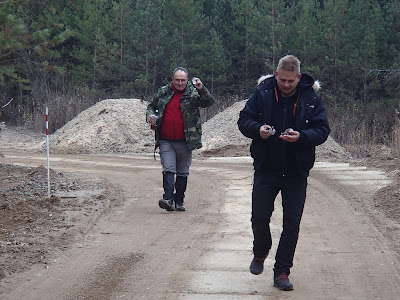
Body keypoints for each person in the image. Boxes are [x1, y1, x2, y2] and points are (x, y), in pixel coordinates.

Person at [237, 55, 330, 291]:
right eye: (283, 80)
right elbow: (243, 120)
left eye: (291, 81)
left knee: (292, 224)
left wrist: (302, 137)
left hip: (296, 171)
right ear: (276, 74)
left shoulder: (311, 98)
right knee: (259, 218)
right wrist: (258, 130)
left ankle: (282, 271)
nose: (286, 84)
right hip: (266, 167)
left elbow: (322, 130)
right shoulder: (263, 93)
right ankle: (260, 252)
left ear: (299, 78)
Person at [146, 67, 215, 212]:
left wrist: (201, 88)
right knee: (169, 169)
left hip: (186, 140)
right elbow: (151, 106)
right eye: (177, 80)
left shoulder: (193, 92)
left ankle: (179, 200)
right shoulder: (164, 92)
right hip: (166, 140)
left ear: (187, 80)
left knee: (183, 171)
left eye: (183, 80)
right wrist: (150, 116)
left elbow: (208, 102)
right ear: (172, 79)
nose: (180, 83)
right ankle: (168, 198)